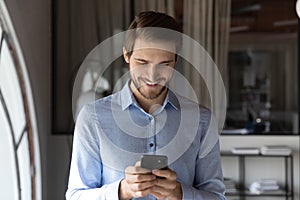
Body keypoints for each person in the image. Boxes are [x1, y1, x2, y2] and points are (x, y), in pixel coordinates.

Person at [66, 11, 226, 200]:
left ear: (176, 60)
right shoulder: (93, 117)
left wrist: (180, 194)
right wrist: (122, 191)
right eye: (142, 62)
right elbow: (76, 196)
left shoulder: (201, 120)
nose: (152, 75)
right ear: (126, 55)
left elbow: (217, 197)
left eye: (164, 63)